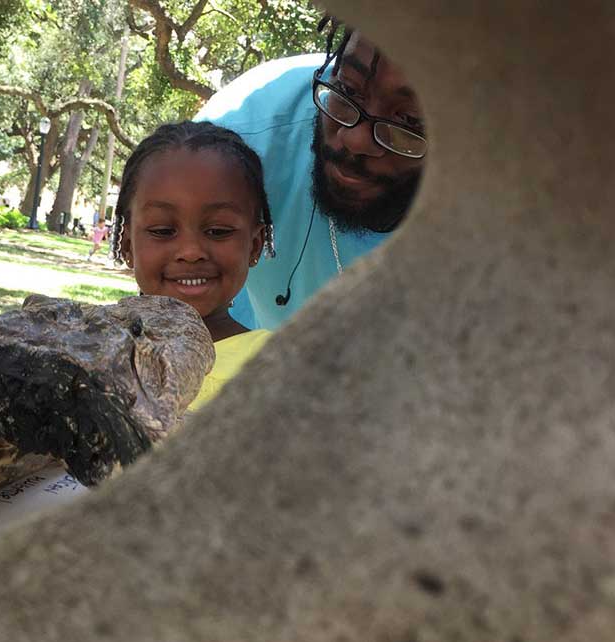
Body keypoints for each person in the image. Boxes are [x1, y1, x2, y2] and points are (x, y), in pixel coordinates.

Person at [196, 16, 426, 330]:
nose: (354, 138)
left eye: (409, 121)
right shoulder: (235, 146)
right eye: (348, 89)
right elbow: (165, 316)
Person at [108, 121, 277, 412]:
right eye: (162, 230)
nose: (190, 252)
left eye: (218, 230)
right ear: (126, 244)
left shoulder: (280, 369)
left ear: (255, 244)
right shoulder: (89, 348)